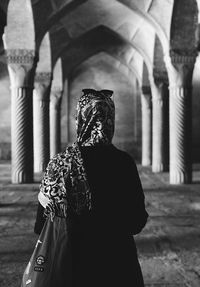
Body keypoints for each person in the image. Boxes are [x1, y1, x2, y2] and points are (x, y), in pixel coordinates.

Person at [34, 88, 149, 287]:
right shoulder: (124, 163)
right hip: (119, 266)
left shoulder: (60, 164)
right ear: (110, 119)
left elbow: (41, 226)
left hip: (73, 265)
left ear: (80, 118)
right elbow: (136, 221)